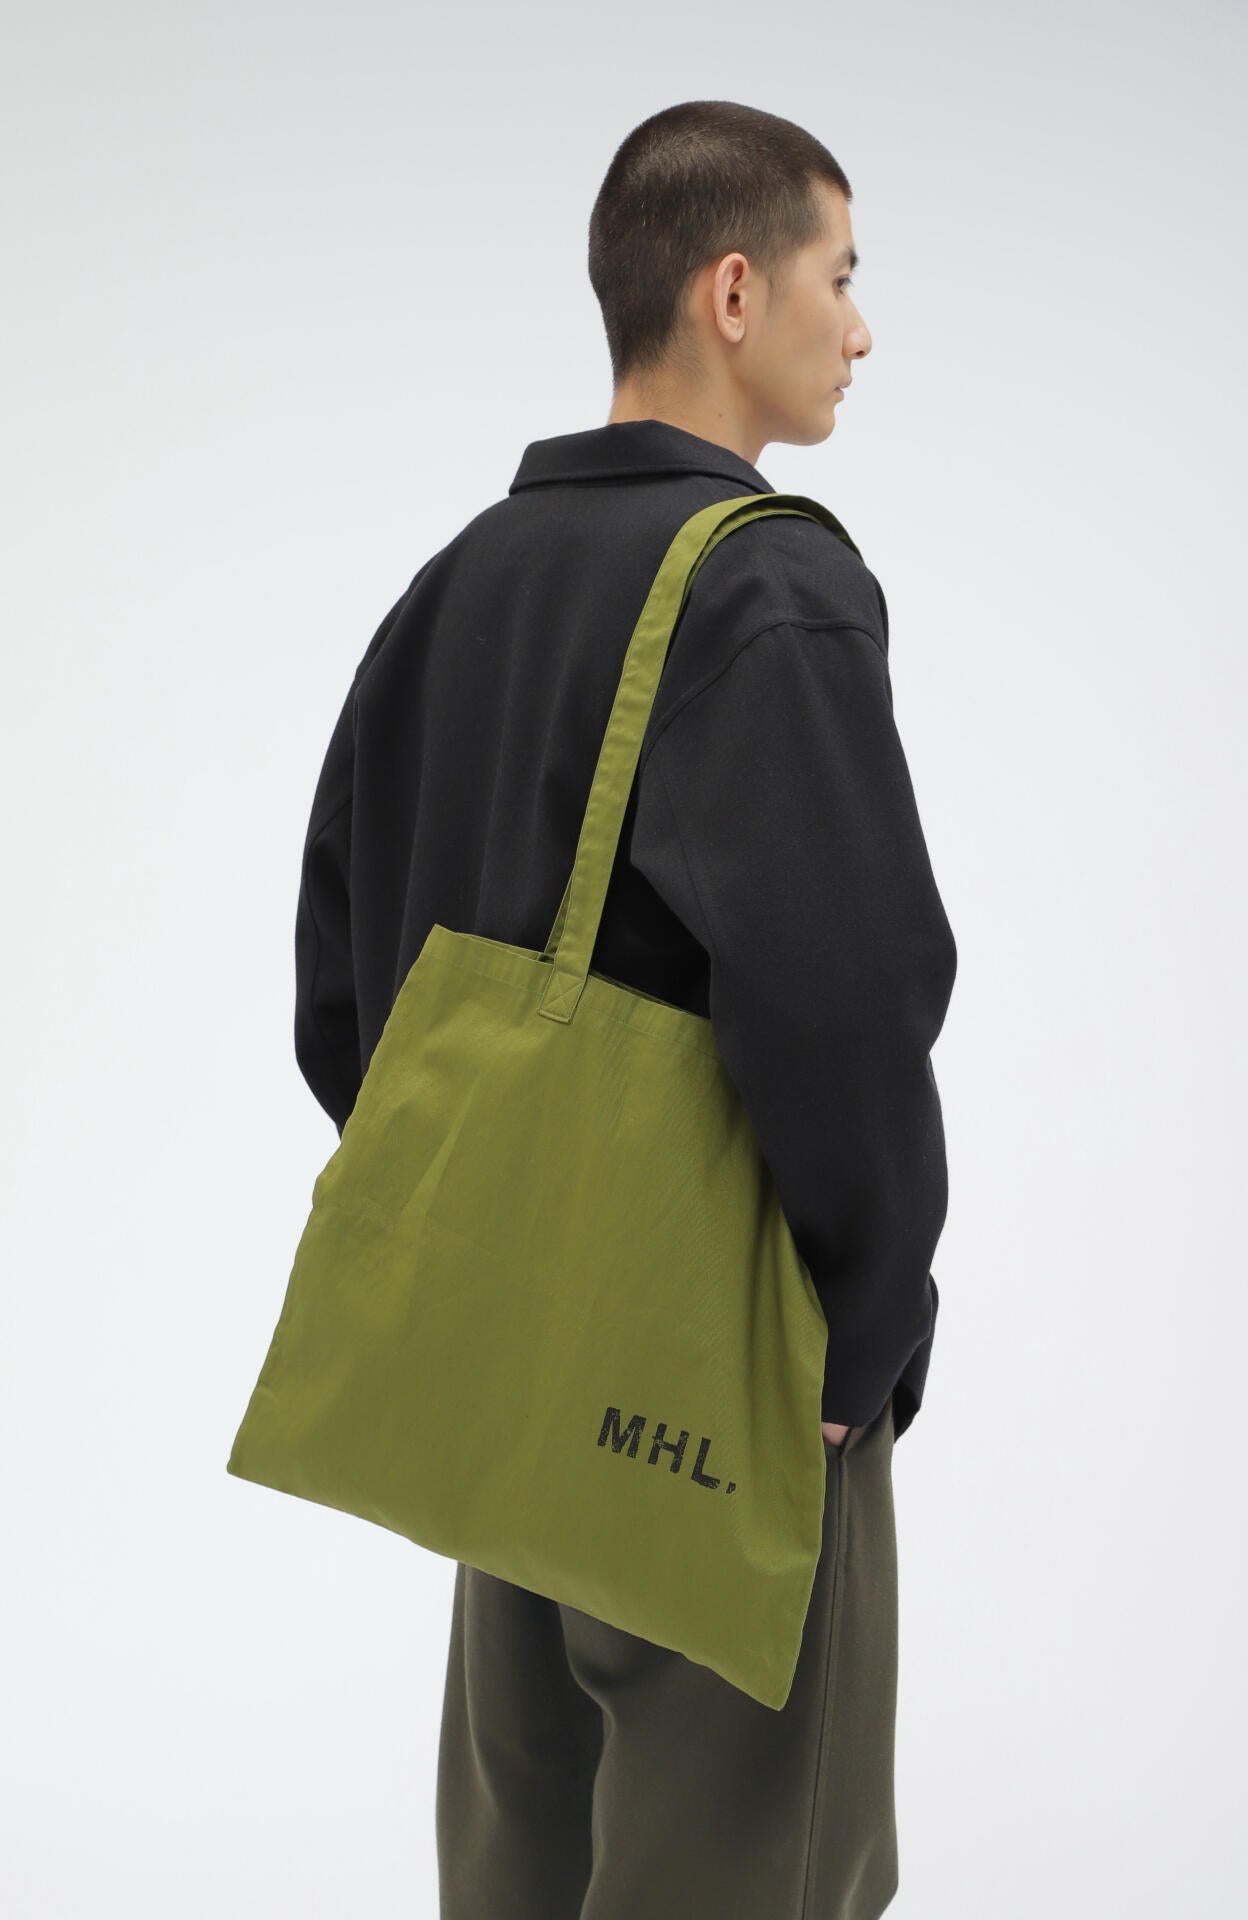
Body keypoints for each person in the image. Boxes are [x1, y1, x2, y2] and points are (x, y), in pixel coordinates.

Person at [294, 99, 957, 1920]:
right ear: (734, 293)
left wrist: (501, 1238)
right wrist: (863, 1333)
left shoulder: (458, 582)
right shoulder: (772, 587)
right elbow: (850, 1002)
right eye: (840, 276)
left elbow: (344, 988)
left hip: (506, 1373)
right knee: (756, 1876)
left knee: (517, 1867)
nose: (861, 328)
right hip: (719, 1392)